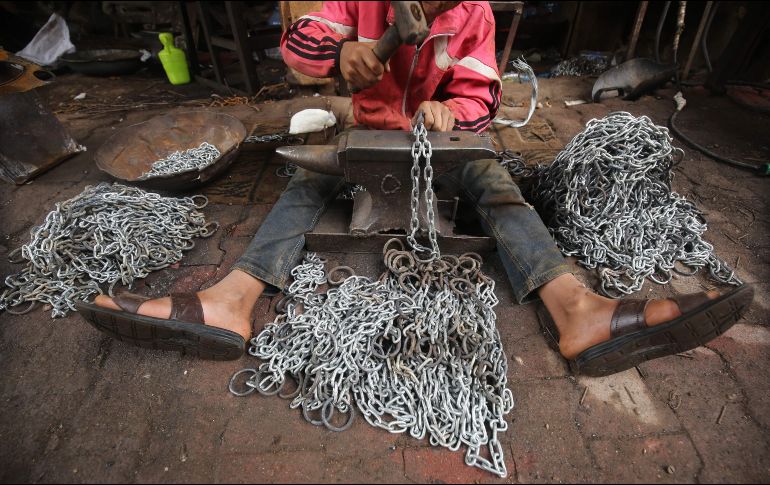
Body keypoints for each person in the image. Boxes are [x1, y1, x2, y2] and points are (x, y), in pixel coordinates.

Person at [77, 1, 753, 376]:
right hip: (366, 137)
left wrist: (450, 112)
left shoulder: (476, 16)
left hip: (443, 146)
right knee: (304, 181)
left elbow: (483, 99)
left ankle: (578, 309)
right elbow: (299, 48)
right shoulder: (359, 2)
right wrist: (338, 55)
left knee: (496, 182)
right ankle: (230, 300)